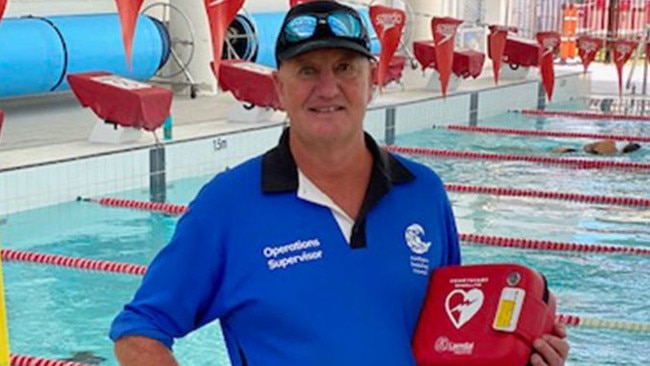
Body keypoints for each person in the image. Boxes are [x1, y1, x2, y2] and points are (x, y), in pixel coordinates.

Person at [109, 2, 570, 365]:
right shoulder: (228, 206)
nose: (327, 88)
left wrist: (521, 354)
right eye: (307, 70)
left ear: (373, 81)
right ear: (278, 87)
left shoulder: (424, 193)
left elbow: (448, 342)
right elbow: (140, 330)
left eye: (346, 68)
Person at [553, 139, 641, 155]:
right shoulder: (613, 149)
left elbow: (589, 146)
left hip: (591, 150)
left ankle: (564, 150)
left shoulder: (612, 143)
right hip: (594, 152)